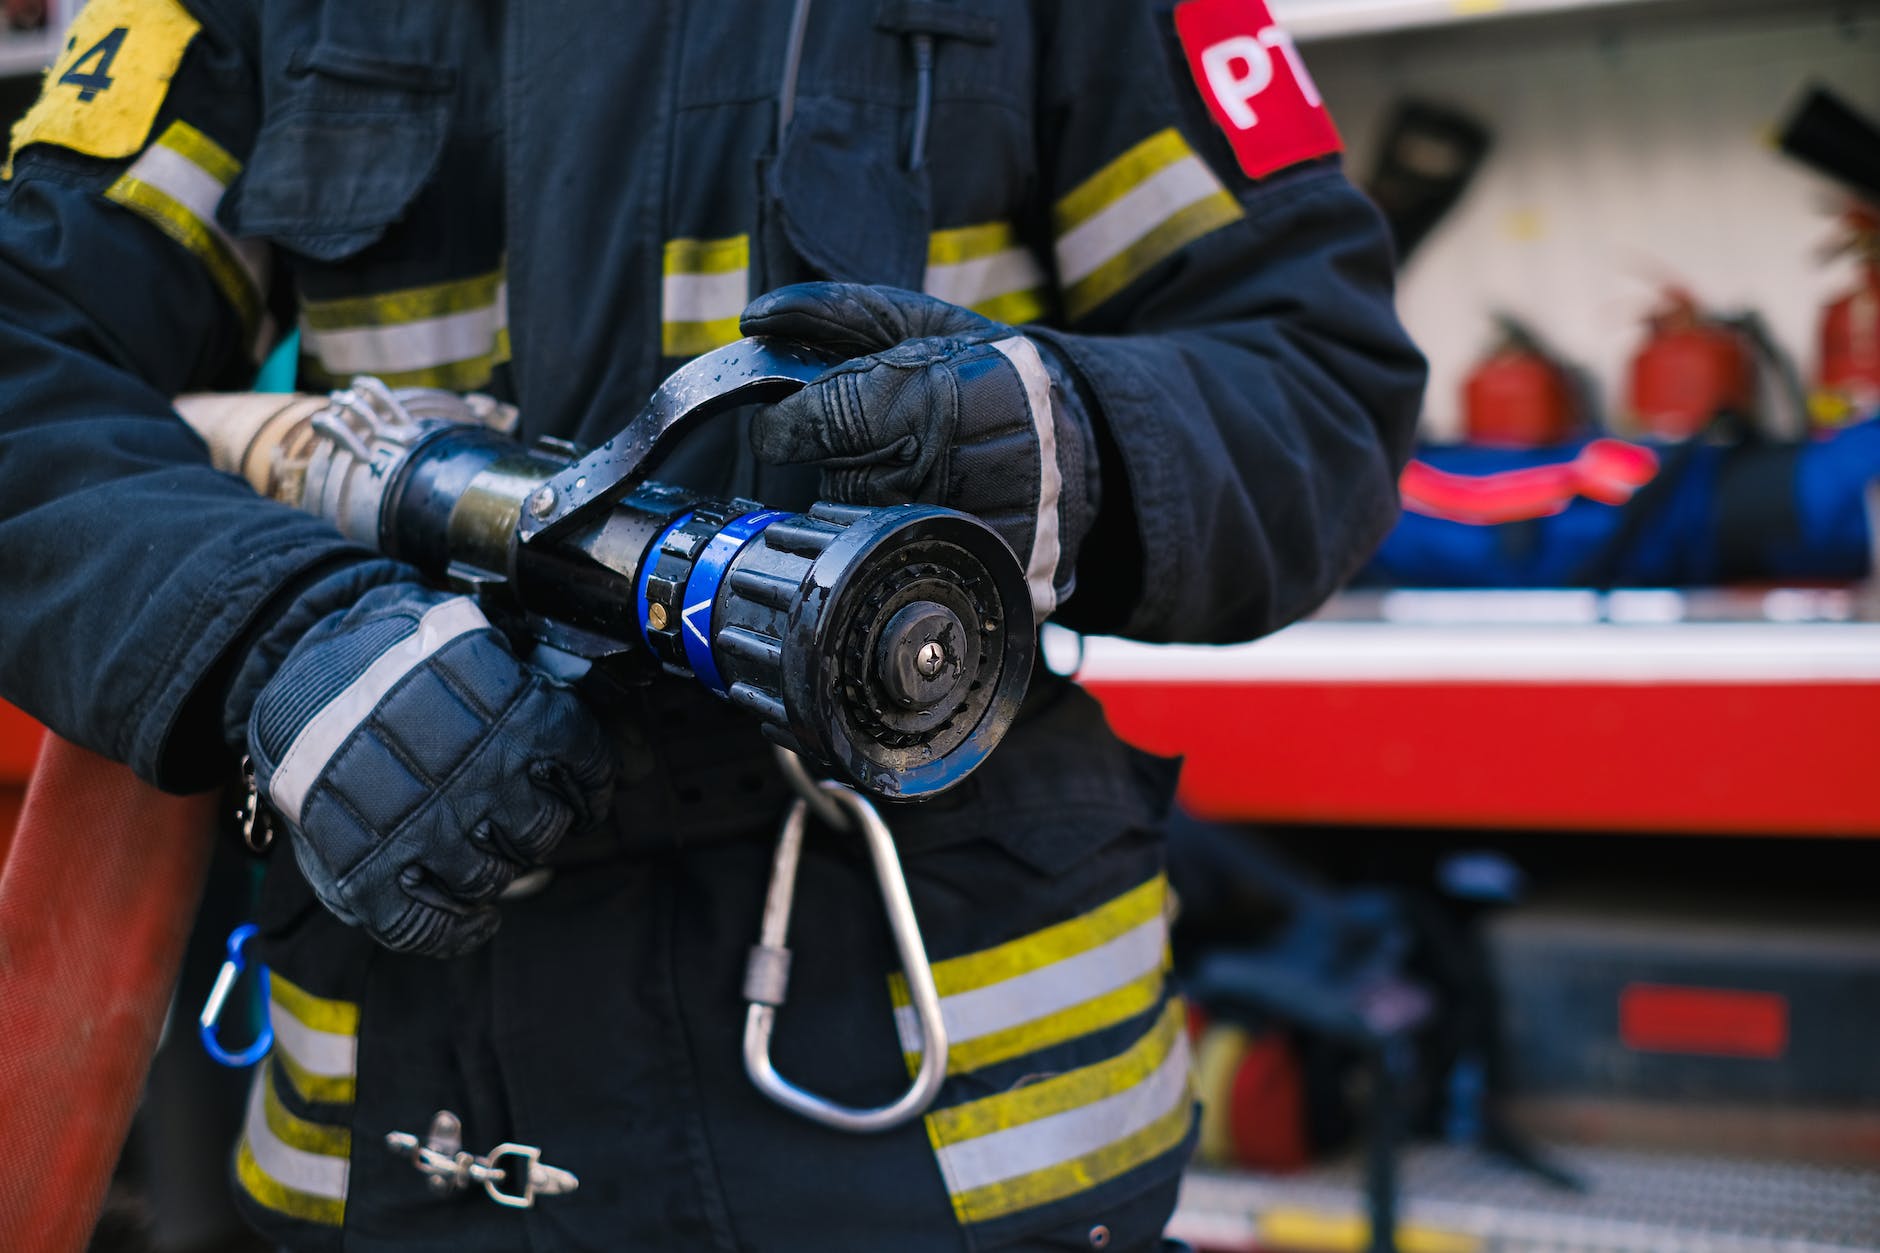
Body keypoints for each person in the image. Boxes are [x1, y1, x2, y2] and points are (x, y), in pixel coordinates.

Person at [0, 0, 1424, 1248]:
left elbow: (1319, 380)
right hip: (430, 1122)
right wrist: (279, 629)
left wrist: (1066, 439)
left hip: (953, 1138)